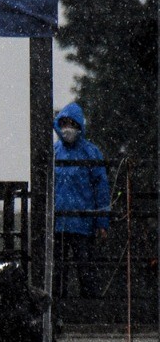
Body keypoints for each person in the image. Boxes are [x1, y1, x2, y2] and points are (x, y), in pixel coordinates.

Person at [52, 102, 110, 299]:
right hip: (59, 222)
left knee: (85, 269)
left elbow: (101, 188)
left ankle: (89, 308)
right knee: (58, 272)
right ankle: (59, 307)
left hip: (82, 223)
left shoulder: (91, 153)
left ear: (79, 126)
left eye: (72, 124)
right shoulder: (54, 152)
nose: (67, 128)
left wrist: (102, 221)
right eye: (64, 123)